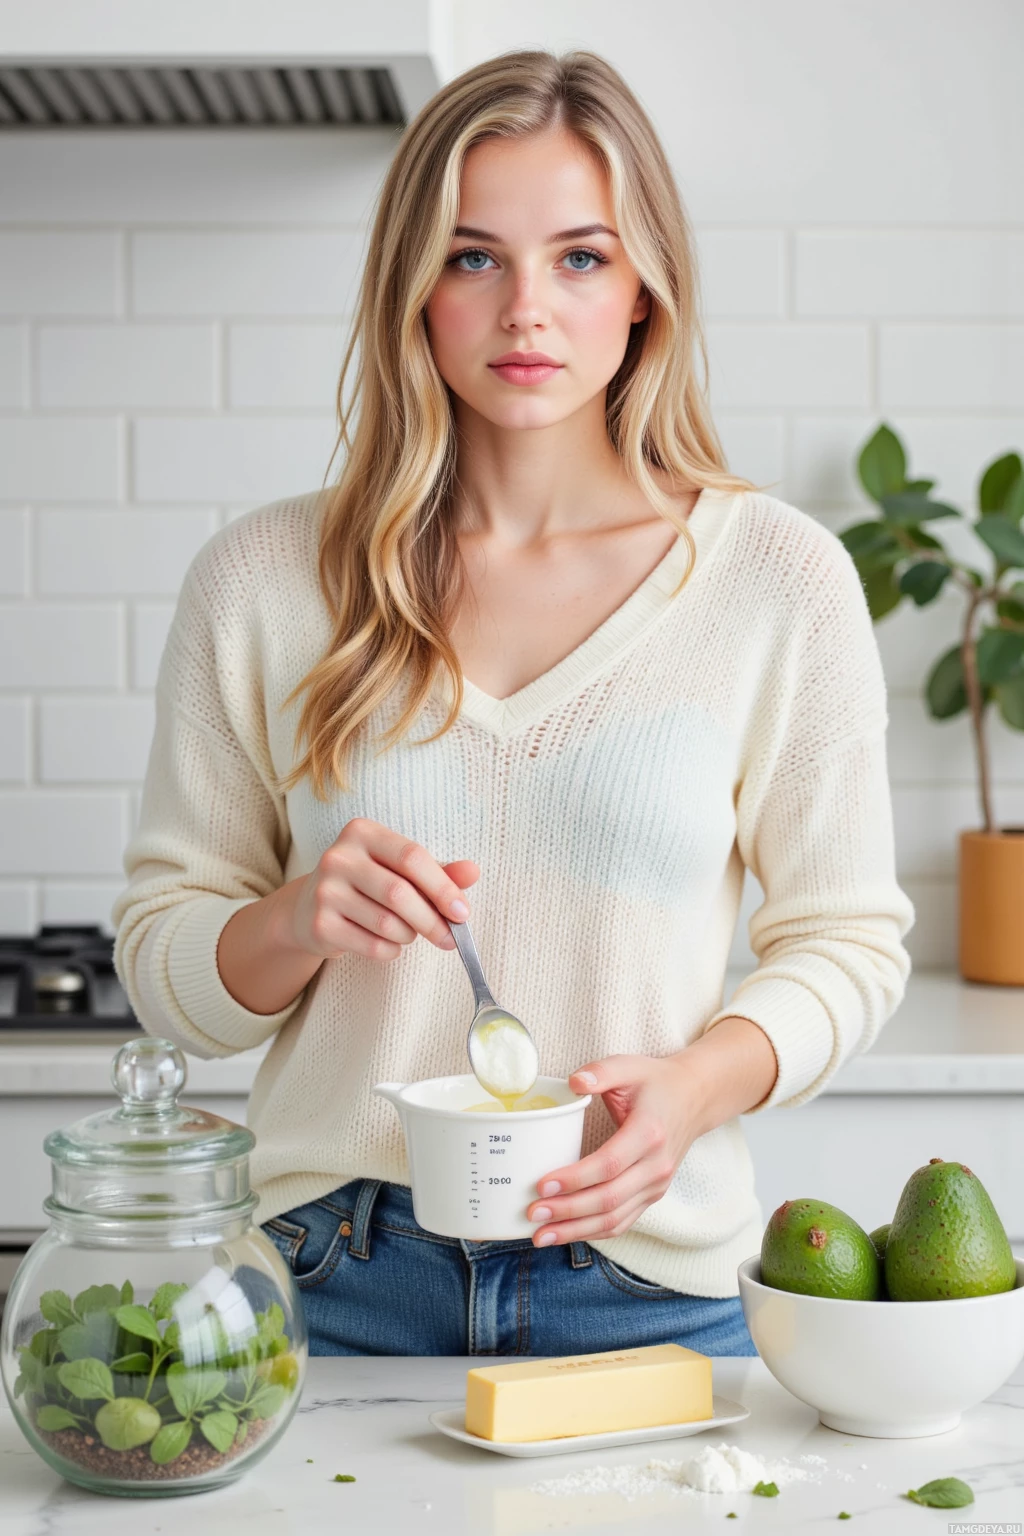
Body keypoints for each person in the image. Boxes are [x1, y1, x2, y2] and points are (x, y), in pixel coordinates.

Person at [112, 48, 914, 1358]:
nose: (527, 309)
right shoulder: (262, 582)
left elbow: (848, 943)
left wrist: (694, 1090)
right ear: (413, 291)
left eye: (581, 257)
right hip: (332, 1282)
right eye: (474, 256)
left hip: (650, 1285)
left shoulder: (777, 581)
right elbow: (165, 972)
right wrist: (296, 921)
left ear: (647, 288)